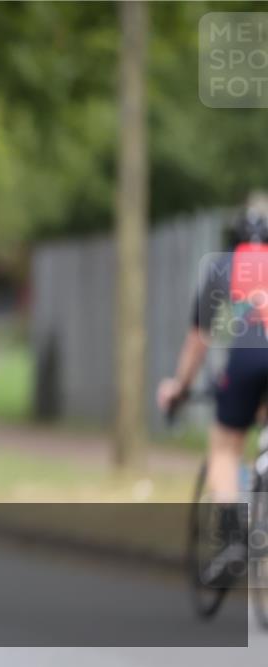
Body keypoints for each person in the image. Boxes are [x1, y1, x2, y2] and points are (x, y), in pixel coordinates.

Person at [157, 191, 268, 586]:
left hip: (247, 357)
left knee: (224, 444)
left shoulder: (224, 267)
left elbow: (198, 342)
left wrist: (179, 387)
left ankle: (234, 535)